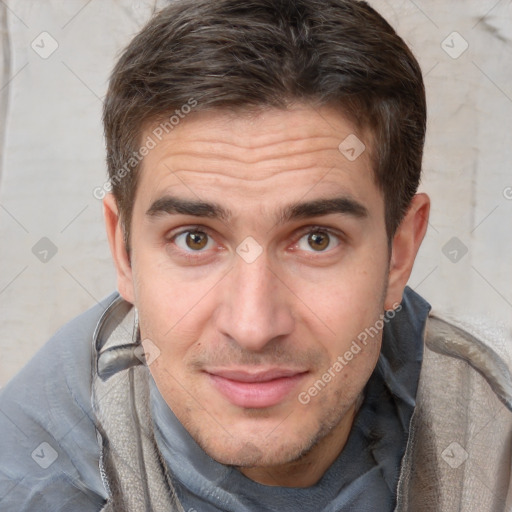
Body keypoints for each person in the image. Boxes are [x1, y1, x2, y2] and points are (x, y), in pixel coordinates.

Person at [0, 0, 511, 511]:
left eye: (317, 239)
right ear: (125, 253)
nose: (253, 326)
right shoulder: (34, 474)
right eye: (195, 239)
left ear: (399, 253)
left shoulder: (494, 439)